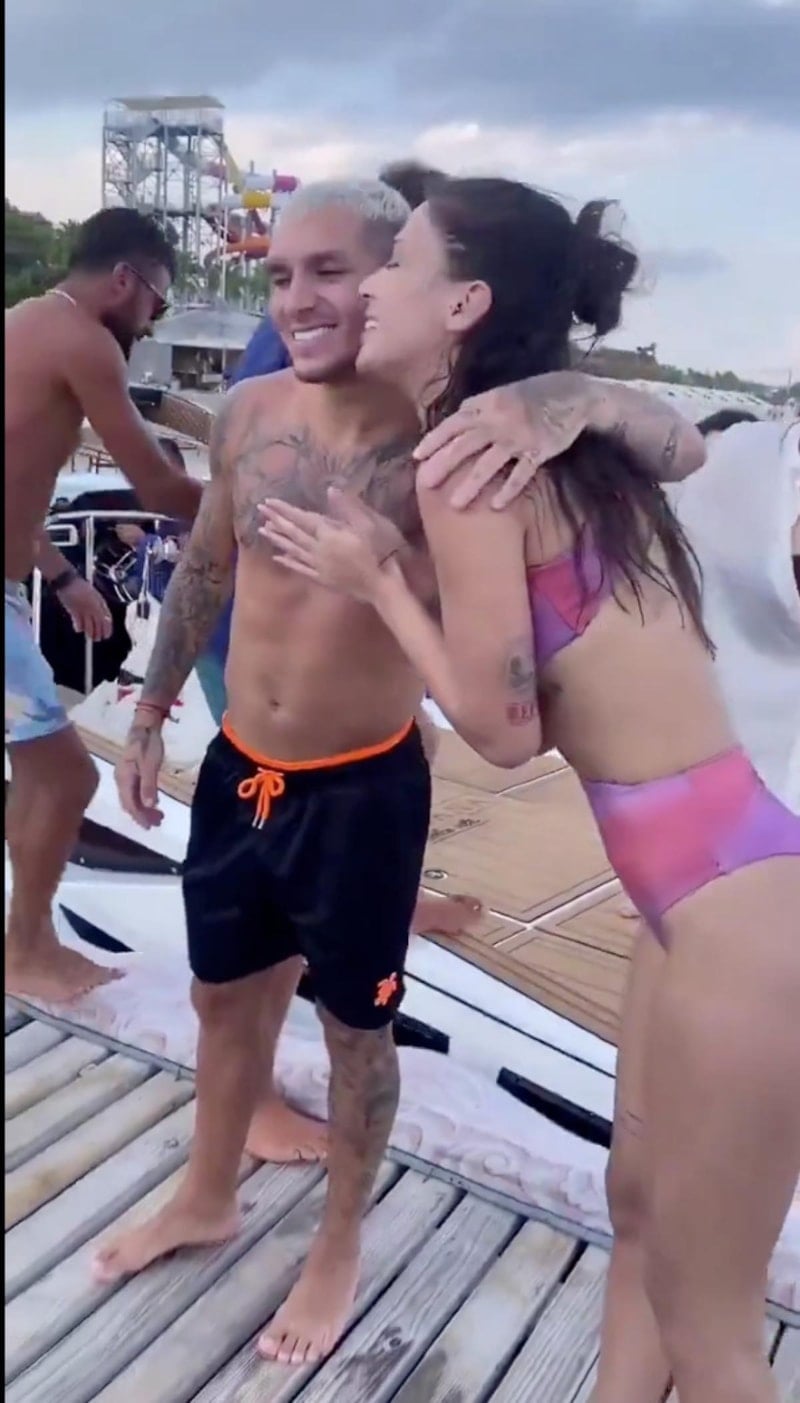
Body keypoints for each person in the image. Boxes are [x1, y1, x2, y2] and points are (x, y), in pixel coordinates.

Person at [100, 179, 707, 1370]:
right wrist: (153, 709)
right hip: (239, 768)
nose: (299, 298)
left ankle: (336, 1246)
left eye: (331, 270)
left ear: (390, 282)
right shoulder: (249, 409)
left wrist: (568, 394)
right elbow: (208, 564)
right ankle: (206, 1191)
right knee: (220, 1000)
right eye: (280, 276)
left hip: (358, 789)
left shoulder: (460, 440)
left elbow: (674, 446)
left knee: (352, 1033)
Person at [260, 177, 800, 1403]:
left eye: (397, 261)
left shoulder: (470, 458)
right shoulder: (554, 447)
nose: (372, 283)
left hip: (736, 922)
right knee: (633, 1201)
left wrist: (377, 580)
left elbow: (504, 733)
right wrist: (575, 399)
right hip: (719, 886)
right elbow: (680, 454)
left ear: (461, 302)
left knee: (712, 1328)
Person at [5, 207, 204, 1004]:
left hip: (13, 584)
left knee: (43, 772)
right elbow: (158, 486)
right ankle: (25, 948)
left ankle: (27, 936)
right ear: (125, 279)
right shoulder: (83, 339)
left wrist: (60, 575)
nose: (152, 319)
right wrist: (259, 511)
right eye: (158, 299)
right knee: (63, 779)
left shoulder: (25, 323)